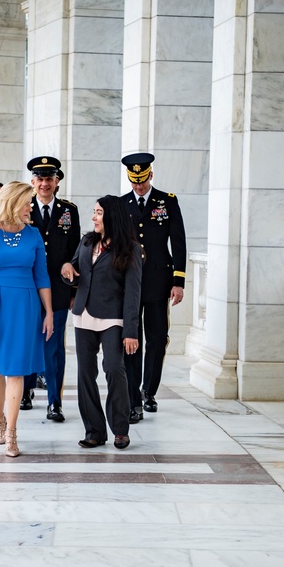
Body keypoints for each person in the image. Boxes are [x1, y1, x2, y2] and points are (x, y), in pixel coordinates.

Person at [0, 181, 53, 457]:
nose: (31, 206)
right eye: (27, 201)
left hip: (24, 307)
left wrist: (49, 312)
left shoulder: (34, 235)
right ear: (14, 203)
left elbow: (42, 277)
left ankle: (13, 431)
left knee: (16, 370)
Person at [61, 195, 142, 450]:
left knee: (113, 369)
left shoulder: (130, 249)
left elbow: (133, 293)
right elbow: (75, 270)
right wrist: (67, 269)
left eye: (98, 213)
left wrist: (131, 331)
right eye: (94, 212)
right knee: (85, 374)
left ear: (111, 216)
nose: (93, 217)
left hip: (113, 319)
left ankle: (120, 429)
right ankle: (94, 430)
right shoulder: (87, 242)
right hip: (83, 315)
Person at [119, 152, 187, 422]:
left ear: (150, 175)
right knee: (132, 340)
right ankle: (133, 392)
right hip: (131, 283)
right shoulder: (122, 205)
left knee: (158, 338)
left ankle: (149, 390)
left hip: (159, 281)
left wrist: (178, 281)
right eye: (135, 182)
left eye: (143, 180)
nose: (139, 186)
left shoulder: (167, 202)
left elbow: (178, 241)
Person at [20, 157, 79, 421]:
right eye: (40, 179)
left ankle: (55, 401)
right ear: (32, 182)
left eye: (49, 179)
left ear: (57, 182)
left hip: (58, 290)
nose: (45, 184)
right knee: (27, 341)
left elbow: (77, 250)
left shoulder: (69, 211)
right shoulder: (22, 208)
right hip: (27, 289)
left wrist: (73, 281)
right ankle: (24, 390)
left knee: (54, 346)